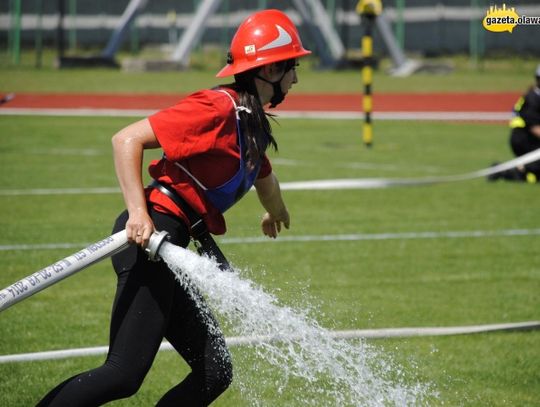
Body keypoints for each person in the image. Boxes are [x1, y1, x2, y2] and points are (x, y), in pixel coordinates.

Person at [37, 9, 310, 406]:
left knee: (214, 368)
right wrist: (137, 213)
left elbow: (264, 177)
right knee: (123, 374)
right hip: (152, 237)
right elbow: (125, 139)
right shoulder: (216, 108)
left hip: (173, 245)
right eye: (292, 67)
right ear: (269, 70)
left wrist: (276, 212)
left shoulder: (250, 122)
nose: (297, 78)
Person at [488, 64, 540, 183]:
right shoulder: (533, 98)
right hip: (524, 138)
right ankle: (510, 169)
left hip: (527, 137)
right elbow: (535, 127)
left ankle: (513, 173)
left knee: (533, 177)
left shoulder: (534, 95)